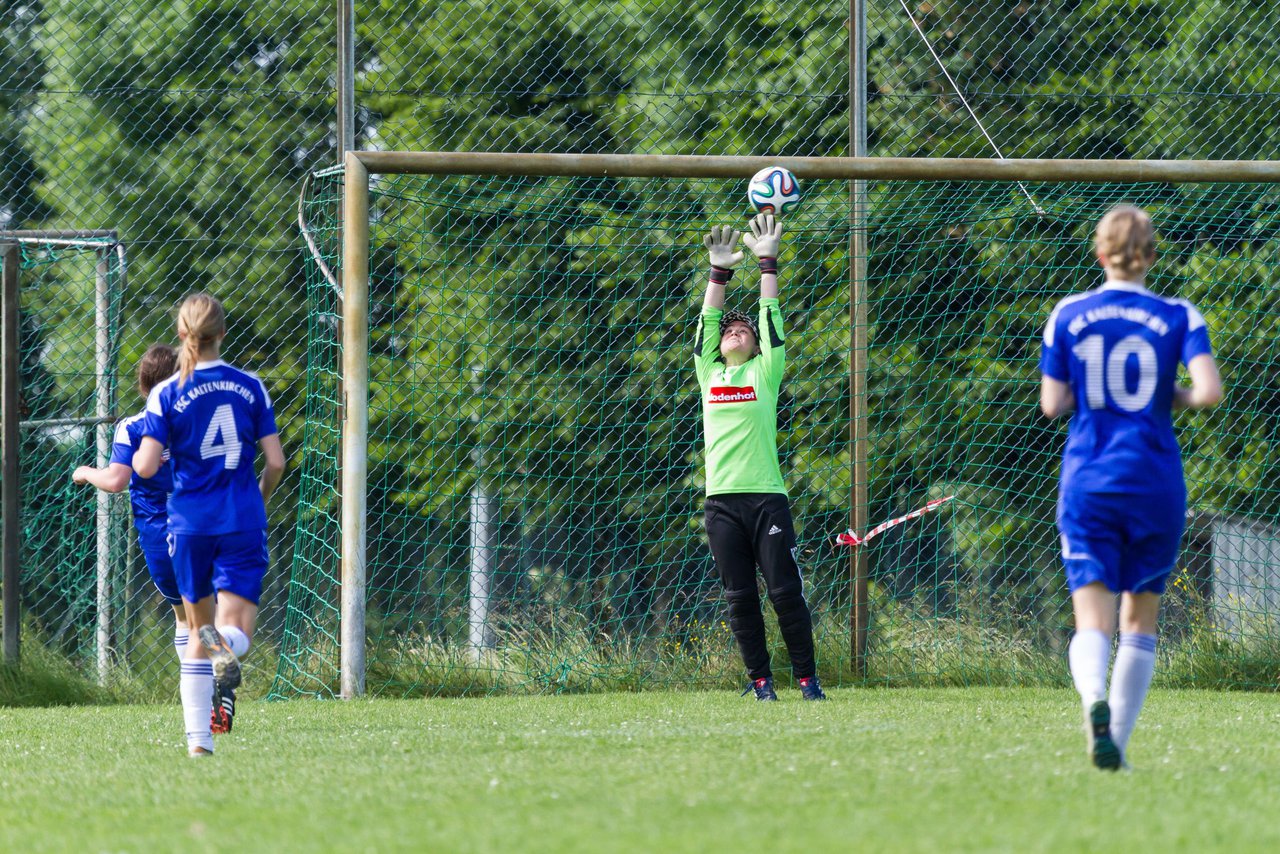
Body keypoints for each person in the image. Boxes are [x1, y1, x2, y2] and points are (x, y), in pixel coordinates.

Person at [1040, 205, 1223, 770]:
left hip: (1090, 479)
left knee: (1090, 619)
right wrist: (1169, 396)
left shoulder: (1069, 313)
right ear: (1151, 254)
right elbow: (1209, 392)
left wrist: (1094, 397)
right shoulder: (1179, 315)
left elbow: (1051, 405)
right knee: (1139, 621)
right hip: (1153, 481)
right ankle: (1114, 740)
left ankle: (1093, 698)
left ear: (1100, 252)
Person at [134, 293, 286, 756]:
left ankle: (200, 748)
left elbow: (142, 468)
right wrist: (255, 501)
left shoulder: (165, 392)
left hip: (189, 524)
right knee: (233, 632)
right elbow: (276, 462)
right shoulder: (250, 385)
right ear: (222, 333)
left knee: (199, 636)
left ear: (182, 335)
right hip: (241, 519)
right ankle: (228, 647)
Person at [695, 212, 824, 701]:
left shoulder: (764, 374)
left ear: (754, 346)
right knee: (739, 597)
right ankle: (761, 682)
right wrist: (718, 274)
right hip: (722, 504)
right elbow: (707, 322)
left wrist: (767, 264)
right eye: (728, 329)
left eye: (742, 330)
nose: (733, 330)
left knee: (785, 594)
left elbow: (771, 322)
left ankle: (809, 681)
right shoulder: (710, 375)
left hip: (767, 499)